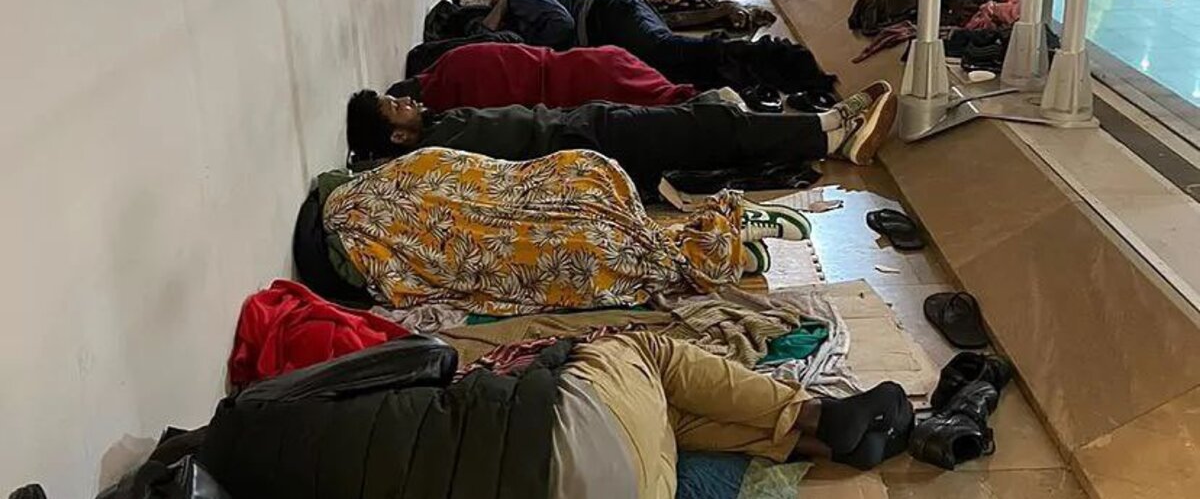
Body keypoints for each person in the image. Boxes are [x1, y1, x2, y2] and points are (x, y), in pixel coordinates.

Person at [201, 329, 914, 499]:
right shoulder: (263, 409)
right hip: (562, 424)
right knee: (642, 352)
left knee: (656, 421)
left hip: (641, 488)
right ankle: (812, 413)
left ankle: (810, 445)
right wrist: (555, 357)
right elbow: (431, 359)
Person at [324, 147, 812, 315]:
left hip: (490, 204)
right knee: (590, 239)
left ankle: (716, 248)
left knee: (591, 210)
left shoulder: (359, 197)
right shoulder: (353, 223)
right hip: (474, 233)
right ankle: (716, 245)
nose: (406, 101)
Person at [344, 81, 897, 191]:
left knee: (706, 125)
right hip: (590, 142)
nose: (409, 101)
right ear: (397, 138)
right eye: (397, 108)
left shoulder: (441, 126)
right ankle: (828, 133)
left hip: (587, 125)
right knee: (710, 128)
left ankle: (824, 132)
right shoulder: (437, 150)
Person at [485, 0, 837, 97]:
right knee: (675, 77)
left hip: (608, 14)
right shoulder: (515, 20)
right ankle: (767, 75)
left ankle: (777, 59)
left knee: (669, 53)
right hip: (607, 33)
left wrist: (502, 32)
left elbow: (561, 28)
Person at [389, 42, 699, 111]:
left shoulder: (455, 104)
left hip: (576, 87)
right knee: (662, 95)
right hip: (593, 62)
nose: (406, 106)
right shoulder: (452, 59)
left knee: (660, 106)